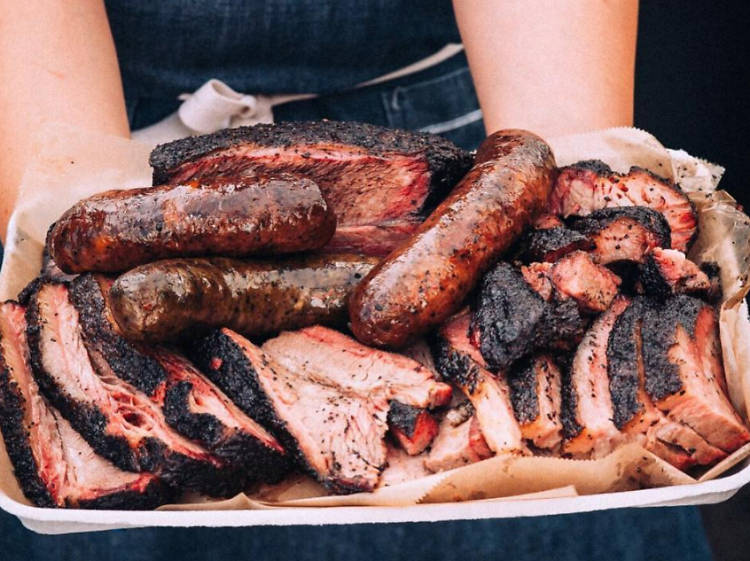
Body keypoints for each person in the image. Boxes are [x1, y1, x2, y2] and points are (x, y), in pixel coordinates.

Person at [0, 2, 714, 560]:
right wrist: (87, 211)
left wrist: (557, 218)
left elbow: (547, 143)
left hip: (442, 155)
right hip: (127, 146)